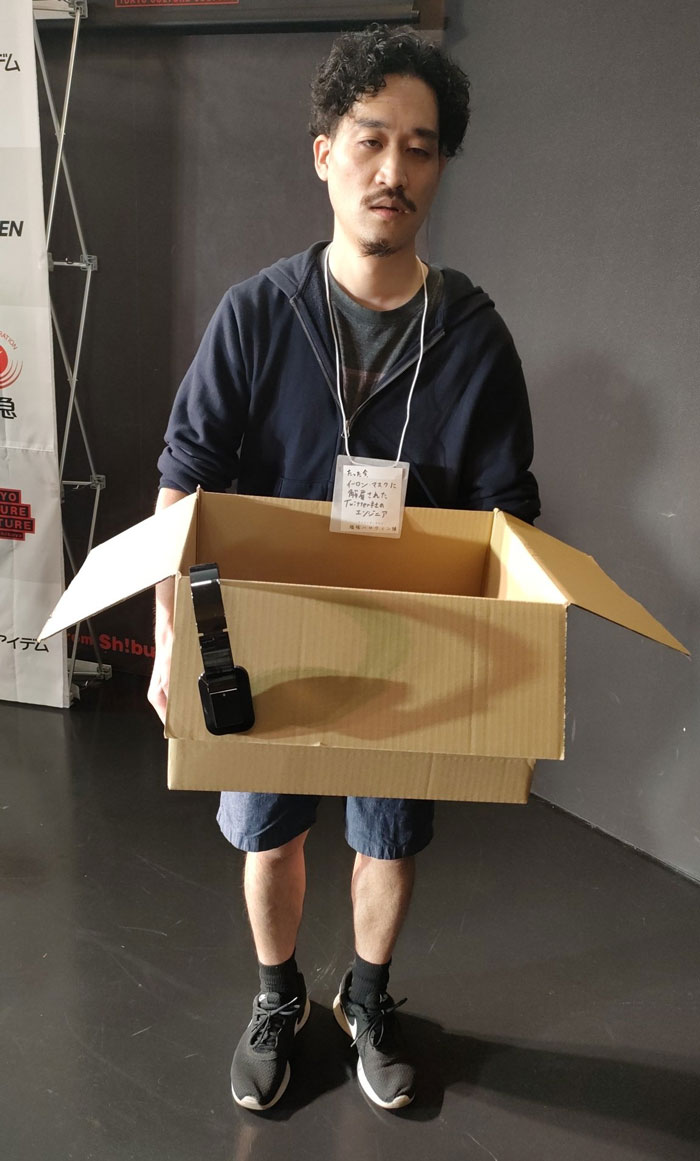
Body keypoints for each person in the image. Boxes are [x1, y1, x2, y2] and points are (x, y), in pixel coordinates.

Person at [148, 25, 539, 1113]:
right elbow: (184, 478)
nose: (393, 171)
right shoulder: (257, 316)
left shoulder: (473, 337)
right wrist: (174, 631)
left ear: (440, 168)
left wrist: (505, 653)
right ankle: (278, 997)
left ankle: (366, 996)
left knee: (387, 834)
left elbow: (508, 511)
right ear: (323, 152)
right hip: (266, 627)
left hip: (411, 634)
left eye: (420, 149)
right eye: (371, 141)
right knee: (269, 829)